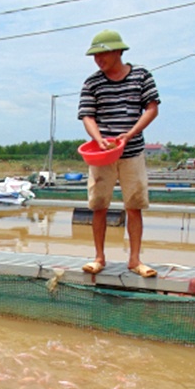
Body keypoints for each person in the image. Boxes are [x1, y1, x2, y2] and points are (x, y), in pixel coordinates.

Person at [77, 29, 160, 278]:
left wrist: (130, 134)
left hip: (131, 151)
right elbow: (87, 115)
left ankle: (134, 260)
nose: (98, 60)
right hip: (102, 153)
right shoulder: (92, 82)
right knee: (98, 205)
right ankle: (99, 257)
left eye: (102, 54)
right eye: (95, 56)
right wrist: (99, 138)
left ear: (118, 51)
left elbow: (152, 108)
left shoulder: (141, 76)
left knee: (134, 206)